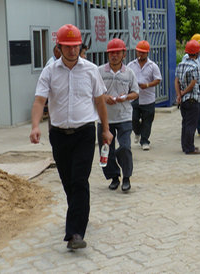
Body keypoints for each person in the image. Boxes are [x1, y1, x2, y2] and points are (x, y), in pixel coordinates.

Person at [29, 24, 113, 250]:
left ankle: (75, 233)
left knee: (79, 180)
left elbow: (100, 101)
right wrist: (35, 126)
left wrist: (105, 129)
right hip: (58, 135)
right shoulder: (49, 72)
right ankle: (78, 213)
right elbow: (39, 101)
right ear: (59, 48)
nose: (72, 50)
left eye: (75, 46)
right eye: (67, 47)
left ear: (80, 46)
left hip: (84, 132)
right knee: (68, 182)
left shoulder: (91, 70)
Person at [98, 38, 139, 192]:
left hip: (124, 117)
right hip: (105, 118)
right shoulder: (99, 71)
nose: (114, 56)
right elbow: (93, 92)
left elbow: (135, 92)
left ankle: (126, 177)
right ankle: (114, 177)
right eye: (111, 53)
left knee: (125, 147)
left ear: (123, 54)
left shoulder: (129, 73)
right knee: (106, 150)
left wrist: (126, 97)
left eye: (117, 53)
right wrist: (104, 98)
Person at [128, 40, 162, 150]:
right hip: (134, 98)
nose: (140, 54)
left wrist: (147, 85)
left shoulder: (153, 66)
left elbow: (158, 79)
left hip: (148, 98)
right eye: (139, 52)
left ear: (147, 53)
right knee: (133, 119)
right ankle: (137, 132)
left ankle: (145, 141)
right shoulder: (131, 65)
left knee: (147, 121)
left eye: (143, 52)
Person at [175, 40, 200, 155]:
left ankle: (185, 146)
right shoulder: (194, 66)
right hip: (192, 98)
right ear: (196, 53)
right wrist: (184, 92)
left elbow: (176, 81)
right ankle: (190, 148)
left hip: (183, 101)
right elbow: (193, 83)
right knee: (191, 124)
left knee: (185, 123)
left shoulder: (180, 65)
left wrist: (179, 95)